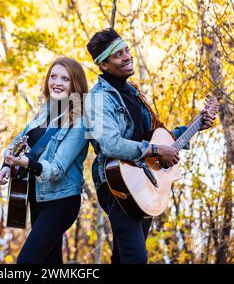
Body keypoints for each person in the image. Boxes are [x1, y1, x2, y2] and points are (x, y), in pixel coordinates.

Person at [84, 28, 216, 264]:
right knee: (136, 258)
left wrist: (195, 125)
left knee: (123, 257)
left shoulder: (134, 93)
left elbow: (158, 137)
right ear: (103, 65)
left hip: (145, 182)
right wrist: (156, 151)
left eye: (126, 50)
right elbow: (109, 144)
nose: (127, 56)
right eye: (117, 55)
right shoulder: (98, 99)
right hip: (117, 184)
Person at [0, 56, 89, 264]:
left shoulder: (80, 121)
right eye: (53, 76)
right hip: (37, 198)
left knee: (27, 262)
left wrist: (27, 164)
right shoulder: (46, 110)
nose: (57, 82)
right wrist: (6, 164)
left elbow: (56, 170)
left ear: (75, 84)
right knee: (50, 263)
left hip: (60, 203)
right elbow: (19, 141)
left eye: (64, 79)